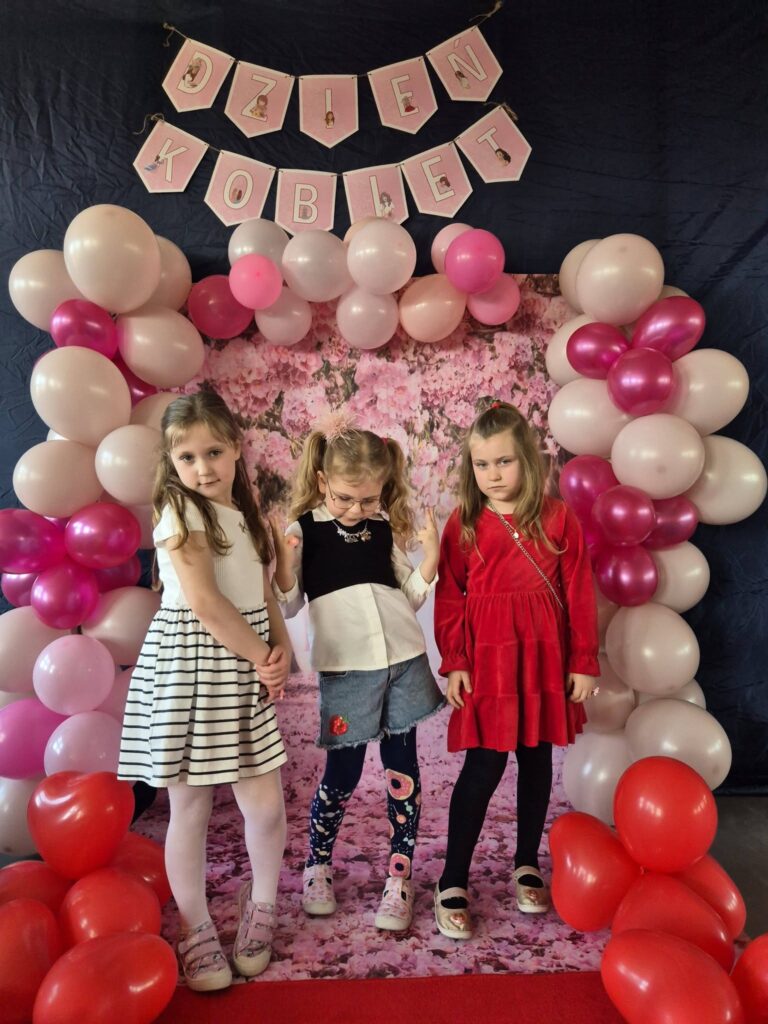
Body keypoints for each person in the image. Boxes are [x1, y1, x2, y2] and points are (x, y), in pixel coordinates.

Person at [118, 391, 292, 991]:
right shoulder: (179, 509)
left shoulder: (245, 515)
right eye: (186, 457)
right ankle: (195, 925)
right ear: (172, 462)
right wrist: (260, 658)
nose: (202, 468)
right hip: (194, 667)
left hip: (246, 664)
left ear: (236, 448)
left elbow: (263, 596)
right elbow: (206, 602)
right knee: (190, 805)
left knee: (264, 805)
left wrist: (280, 652)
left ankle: (261, 903)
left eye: (213, 452)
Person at [271, 414, 444, 932]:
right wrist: (284, 565)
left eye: (369, 499)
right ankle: (317, 865)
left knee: (401, 771)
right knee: (342, 774)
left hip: (403, 663)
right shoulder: (304, 531)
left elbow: (409, 596)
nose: (357, 509)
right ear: (322, 479)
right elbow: (289, 602)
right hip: (348, 672)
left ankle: (399, 877)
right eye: (346, 498)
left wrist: (431, 557)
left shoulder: (382, 527)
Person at [432, 401, 599, 939]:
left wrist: (584, 661)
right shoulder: (464, 522)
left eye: (504, 462)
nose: (493, 475)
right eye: (482, 465)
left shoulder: (557, 518)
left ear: (527, 459)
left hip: (544, 655)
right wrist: (455, 662)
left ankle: (526, 861)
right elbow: (450, 597)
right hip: (489, 660)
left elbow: (579, 593)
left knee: (536, 759)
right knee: (482, 766)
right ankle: (452, 878)